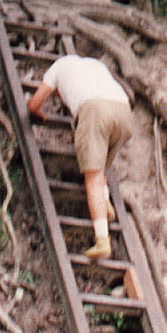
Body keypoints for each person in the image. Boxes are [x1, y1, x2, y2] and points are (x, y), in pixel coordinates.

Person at [28, 54, 133, 260]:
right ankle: (105, 204)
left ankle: (102, 241)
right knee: (100, 165)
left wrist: (37, 112)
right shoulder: (95, 65)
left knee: (92, 176)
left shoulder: (57, 68)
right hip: (124, 111)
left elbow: (33, 104)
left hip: (95, 110)